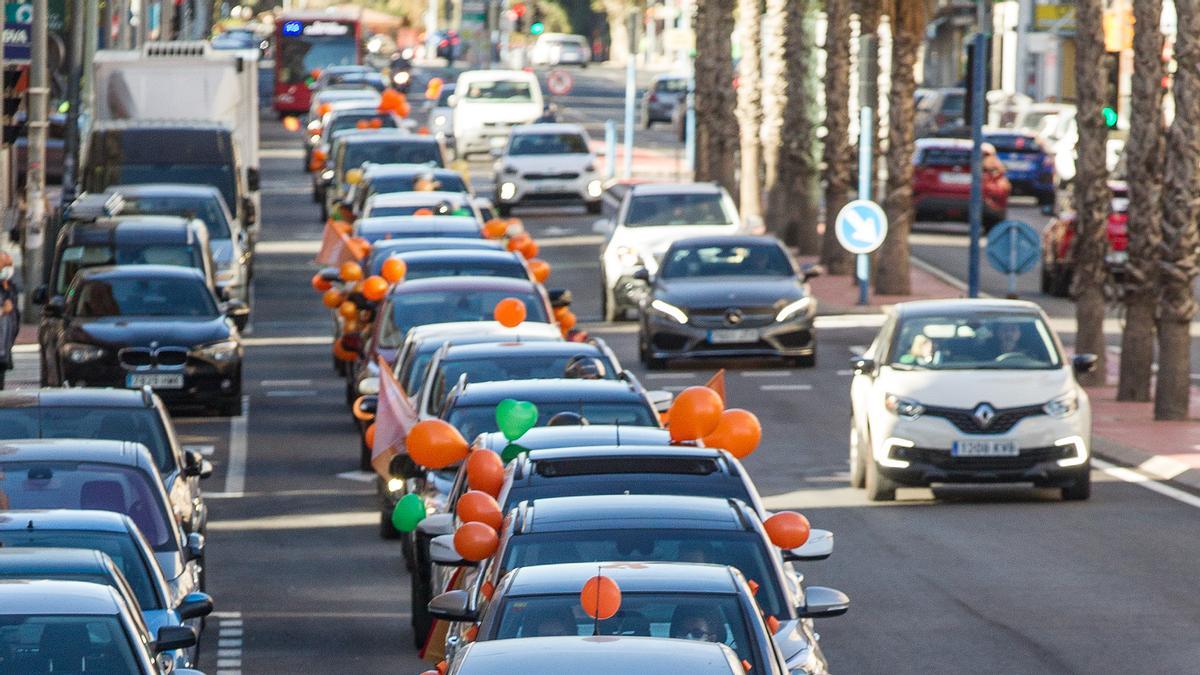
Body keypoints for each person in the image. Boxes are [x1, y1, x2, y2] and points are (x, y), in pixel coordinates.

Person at [0, 252, 19, 390]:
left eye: (10, 265)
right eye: (5, 265)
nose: (8, 269)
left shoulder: (10, 287)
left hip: (3, 349)